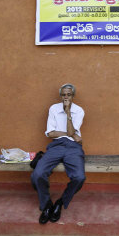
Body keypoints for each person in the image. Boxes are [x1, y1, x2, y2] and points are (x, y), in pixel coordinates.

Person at [31, 83, 85, 224]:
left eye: (69, 94)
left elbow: (72, 132)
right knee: (38, 174)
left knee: (79, 177)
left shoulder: (79, 111)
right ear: (60, 95)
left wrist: (68, 113)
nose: (66, 97)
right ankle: (47, 205)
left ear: (73, 96)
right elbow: (50, 133)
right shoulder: (53, 109)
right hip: (56, 146)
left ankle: (60, 202)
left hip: (73, 147)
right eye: (63, 94)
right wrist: (70, 134)